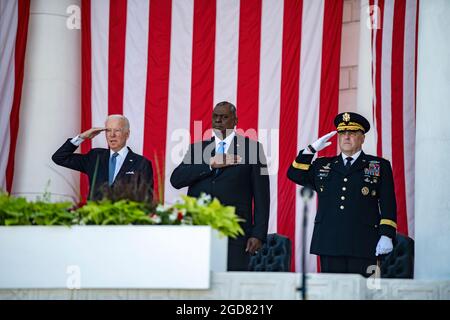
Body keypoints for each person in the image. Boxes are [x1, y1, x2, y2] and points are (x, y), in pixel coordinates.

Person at [287, 112, 397, 277]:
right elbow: (294, 174)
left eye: (352, 133)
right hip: (329, 242)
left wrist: (386, 234)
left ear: (362, 138)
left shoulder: (379, 165)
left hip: (364, 241)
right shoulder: (323, 165)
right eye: (342, 133)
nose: (346, 137)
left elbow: (388, 203)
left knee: (362, 292)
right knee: (332, 292)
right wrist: (311, 150)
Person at [170, 101, 270, 271]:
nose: (219, 121)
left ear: (235, 120)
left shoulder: (252, 149)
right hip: (199, 231)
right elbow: (176, 179)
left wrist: (258, 234)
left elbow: (262, 196)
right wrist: (209, 164)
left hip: (235, 232)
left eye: (224, 117)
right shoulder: (197, 149)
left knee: (231, 285)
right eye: (215, 117)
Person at [52, 115, 153, 202]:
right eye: (108, 130)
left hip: (125, 221)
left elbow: (147, 198)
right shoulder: (95, 157)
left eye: (117, 130)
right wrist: (82, 137)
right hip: (95, 220)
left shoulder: (141, 163)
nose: (112, 135)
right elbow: (59, 158)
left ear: (127, 134)